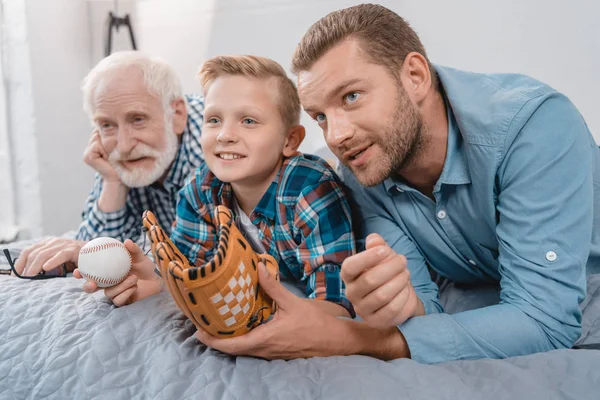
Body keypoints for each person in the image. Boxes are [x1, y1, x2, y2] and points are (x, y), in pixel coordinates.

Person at [192, 4, 599, 363]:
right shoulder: (363, 167)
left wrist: (355, 339)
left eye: (351, 96)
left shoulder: (534, 127)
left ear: (416, 75)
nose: (336, 135)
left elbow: (545, 320)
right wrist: (398, 307)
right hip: (476, 288)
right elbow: (419, 310)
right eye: (319, 116)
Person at [89, 55, 356, 318]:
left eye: (248, 121)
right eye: (214, 120)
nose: (225, 135)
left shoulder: (310, 188)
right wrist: (157, 282)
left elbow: (335, 303)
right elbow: (188, 270)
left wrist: (267, 315)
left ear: (290, 140)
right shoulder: (201, 188)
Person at [13, 51, 205, 278]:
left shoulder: (211, 144)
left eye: (138, 119)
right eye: (106, 125)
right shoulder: (116, 148)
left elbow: (197, 261)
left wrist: (99, 254)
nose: (123, 146)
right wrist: (112, 181)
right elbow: (92, 247)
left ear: (177, 115)